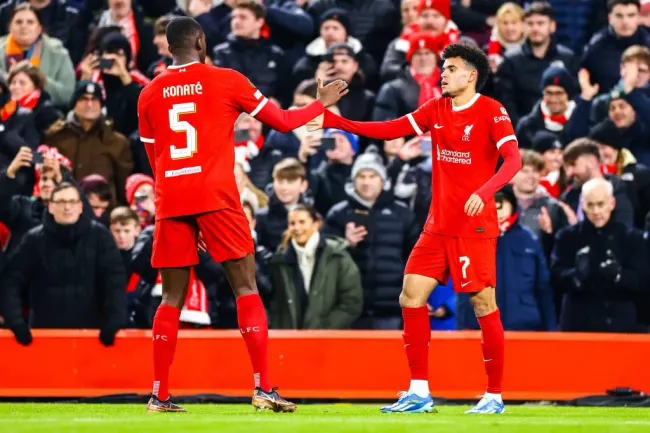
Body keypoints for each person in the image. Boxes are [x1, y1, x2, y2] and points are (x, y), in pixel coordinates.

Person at [136, 16, 348, 413]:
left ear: (167, 47)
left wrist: (176, 195)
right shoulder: (226, 79)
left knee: (170, 299)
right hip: (216, 197)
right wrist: (322, 103)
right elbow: (284, 122)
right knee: (245, 288)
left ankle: (159, 395)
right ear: (200, 40)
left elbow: (155, 158)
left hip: (171, 200)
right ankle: (264, 388)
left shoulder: (148, 94)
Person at [308, 43, 522, 414]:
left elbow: (513, 160)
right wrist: (335, 121)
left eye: (451, 68)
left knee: (483, 304)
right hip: (437, 225)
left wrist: (485, 191)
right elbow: (390, 129)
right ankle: (419, 391)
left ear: (471, 75)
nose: (443, 73)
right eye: (443, 68)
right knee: (410, 296)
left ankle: (494, 395)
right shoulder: (435, 108)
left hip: (473, 227)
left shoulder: (491, 110)